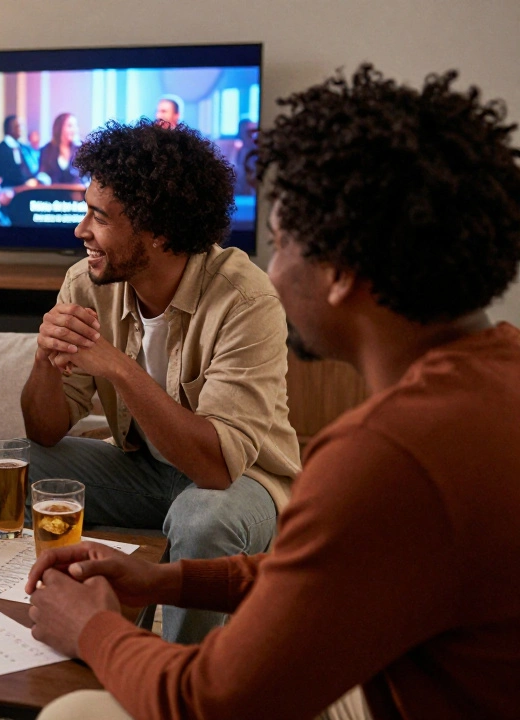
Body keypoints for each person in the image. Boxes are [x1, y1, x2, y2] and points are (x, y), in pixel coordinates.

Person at [28, 65, 520, 720]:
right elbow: (338, 578)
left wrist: (90, 627)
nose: (273, 271)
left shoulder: (385, 455)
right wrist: (165, 579)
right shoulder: (499, 370)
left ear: (341, 275)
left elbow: (210, 701)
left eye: (283, 244)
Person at [0, 119, 301, 644]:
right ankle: (52, 634)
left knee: (202, 523)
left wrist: (118, 367)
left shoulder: (246, 300)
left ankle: (182, 678)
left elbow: (215, 468)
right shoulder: (87, 280)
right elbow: (46, 431)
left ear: (159, 231)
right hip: (144, 471)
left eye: (98, 217)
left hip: (242, 483)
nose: (80, 231)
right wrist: (44, 356)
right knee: (1, 463)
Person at [0, 115, 40, 187]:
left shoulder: (22, 147)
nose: (22, 129)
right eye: (19, 126)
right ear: (11, 128)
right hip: (10, 188)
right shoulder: (1, 150)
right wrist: (24, 183)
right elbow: (7, 174)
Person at [38, 112, 83, 185]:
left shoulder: (80, 150)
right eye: (70, 126)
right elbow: (42, 174)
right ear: (59, 127)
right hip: (53, 193)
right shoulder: (47, 150)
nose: (74, 129)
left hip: (75, 193)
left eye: (76, 126)